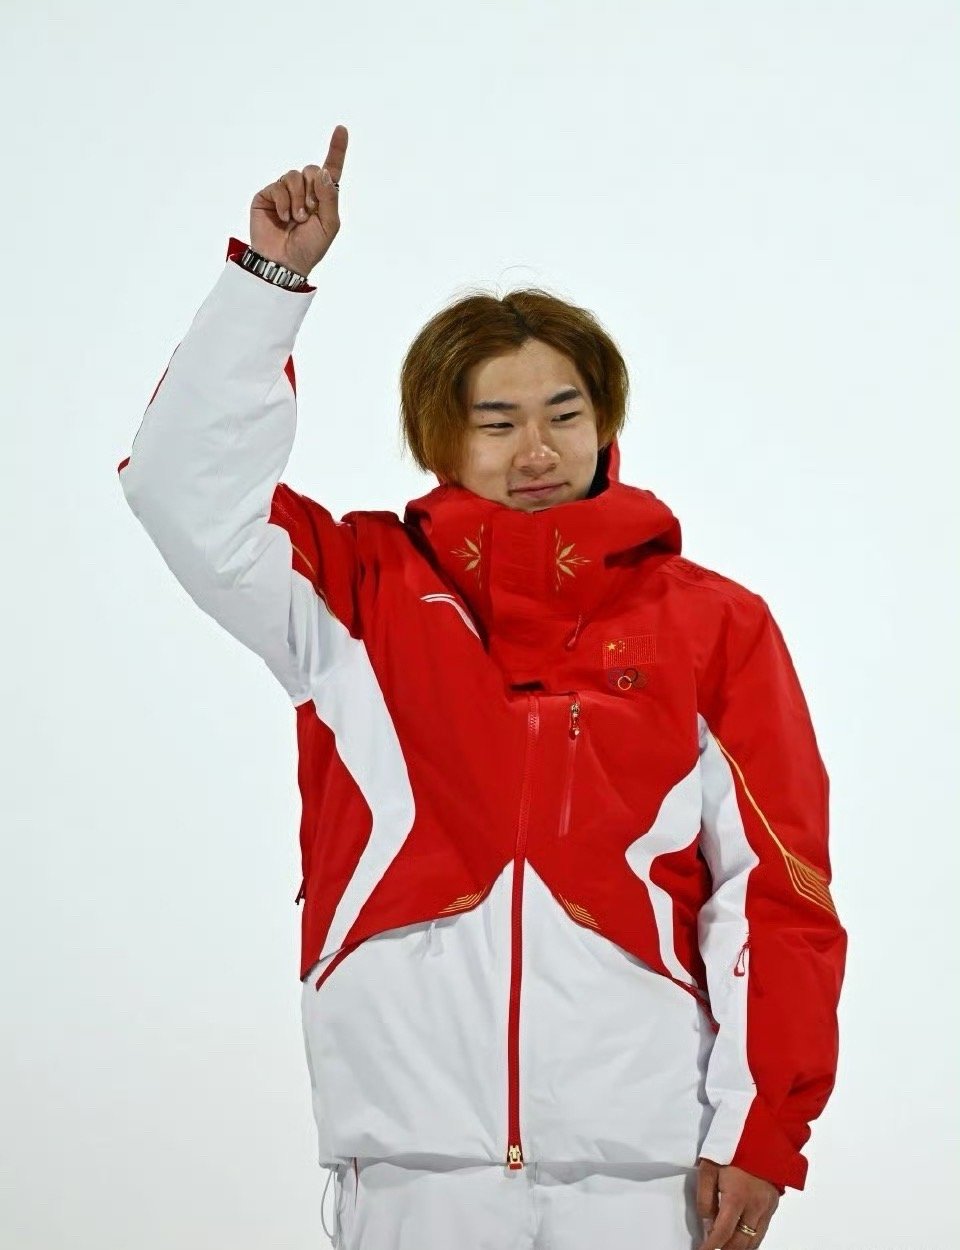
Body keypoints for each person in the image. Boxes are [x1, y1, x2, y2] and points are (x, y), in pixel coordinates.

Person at [117, 123, 847, 1250]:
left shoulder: (714, 623)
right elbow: (180, 489)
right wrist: (268, 281)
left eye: (564, 414)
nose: (536, 449)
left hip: (644, 1174)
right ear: (439, 438)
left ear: (606, 423)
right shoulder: (353, 590)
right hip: (416, 1168)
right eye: (496, 422)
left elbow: (774, 891)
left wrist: (763, 1128)